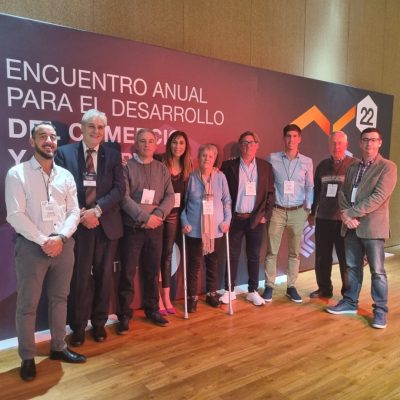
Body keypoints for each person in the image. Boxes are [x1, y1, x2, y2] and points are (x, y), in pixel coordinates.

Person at [5, 122, 86, 382]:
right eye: (42, 136)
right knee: (27, 305)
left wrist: (60, 237)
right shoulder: (17, 173)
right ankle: (27, 357)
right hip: (32, 247)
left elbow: (74, 211)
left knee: (60, 299)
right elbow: (15, 215)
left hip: (63, 245)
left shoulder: (65, 176)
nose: (49, 141)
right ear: (32, 141)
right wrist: (44, 241)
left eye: (52, 137)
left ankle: (58, 347)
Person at [55, 109, 125, 346]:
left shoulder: (113, 156)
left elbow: (119, 189)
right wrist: (83, 214)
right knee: (80, 278)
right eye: (91, 126)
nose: (96, 131)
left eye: (100, 127)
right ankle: (77, 326)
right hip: (79, 226)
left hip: (105, 225)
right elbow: (61, 189)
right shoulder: (64, 153)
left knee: (104, 277)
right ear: (82, 128)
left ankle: (99, 323)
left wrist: (97, 210)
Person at [327, 128, 397, 329]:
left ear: (380, 143)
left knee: (378, 271)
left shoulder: (388, 167)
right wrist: (346, 215)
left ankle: (380, 311)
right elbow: (343, 193)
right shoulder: (353, 166)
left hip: (372, 228)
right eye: (365, 140)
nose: (369, 143)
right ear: (360, 143)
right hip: (351, 226)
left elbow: (378, 197)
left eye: (373, 140)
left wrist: (351, 213)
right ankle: (350, 302)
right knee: (352, 267)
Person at [118, 128, 175, 332]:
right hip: (133, 228)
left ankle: (152, 309)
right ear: (136, 143)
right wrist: (145, 218)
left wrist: (157, 215)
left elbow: (170, 196)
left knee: (152, 271)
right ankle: (124, 314)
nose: (147, 144)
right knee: (127, 272)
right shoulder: (126, 168)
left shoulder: (161, 168)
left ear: (156, 144)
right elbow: (123, 198)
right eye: (142, 141)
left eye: (151, 141)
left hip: (155, 227)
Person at [220, 131, 275, 306]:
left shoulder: (265, 167)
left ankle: (252, 291)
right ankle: (229, 290)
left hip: (256, 219)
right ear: (240, 145)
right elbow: (222, 192)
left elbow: (270, 193)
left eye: (252, 142)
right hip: (235, 219)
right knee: (232, 255)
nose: (248, 146)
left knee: (254, 256)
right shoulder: (228, 166)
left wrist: (265, 215)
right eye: (245, 142)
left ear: (257, 145)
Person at [263, 124, 313, 303]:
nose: (291, 139)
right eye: (288, 136)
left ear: (300, 139)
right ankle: (269, 286)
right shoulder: (273, 158)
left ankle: (291, 286)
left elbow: (309, 186)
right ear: (284, 138)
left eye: (295, 136)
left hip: (298, 212)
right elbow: (267, 184)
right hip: (277, 211)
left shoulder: (307, 161)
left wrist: (308, 209)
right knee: (272, 251)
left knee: (294, 252)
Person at [181, 144, 232, 312]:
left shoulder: (220, 177)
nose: (207, 159)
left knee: (213, 264)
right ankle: (192, 297)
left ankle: (211, 293)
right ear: (198, 157)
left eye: (210, 156)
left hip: (216, 230)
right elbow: (182, 205)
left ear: (215, 159)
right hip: (195, 230)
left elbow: (227, 201)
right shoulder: (191, 177)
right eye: (203, 155)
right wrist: (184, 222)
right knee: (194, 265)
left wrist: (227, 220)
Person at [308, 131, 357, 298]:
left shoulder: (354, 165)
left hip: (344, 221)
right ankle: (324, 289)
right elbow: (316, 191)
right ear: (329, 145)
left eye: (340, 143)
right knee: (322, 257)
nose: (337, 146)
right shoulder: (322, 165)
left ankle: (347, 294)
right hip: (323, 219)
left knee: (346, 259)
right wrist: (312, 212)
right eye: (334, 143)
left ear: (346, 145)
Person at [155, 131, 192, 315]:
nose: (178, 146)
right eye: (175, 142)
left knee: (167, 256)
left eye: (182, 143)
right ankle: (156, 298)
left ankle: (166, 297)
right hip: (157, 215)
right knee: (155, 255)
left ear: (186, 147)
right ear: (169, 144)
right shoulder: (159, 161)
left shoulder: (187, 167)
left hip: (174, 217)